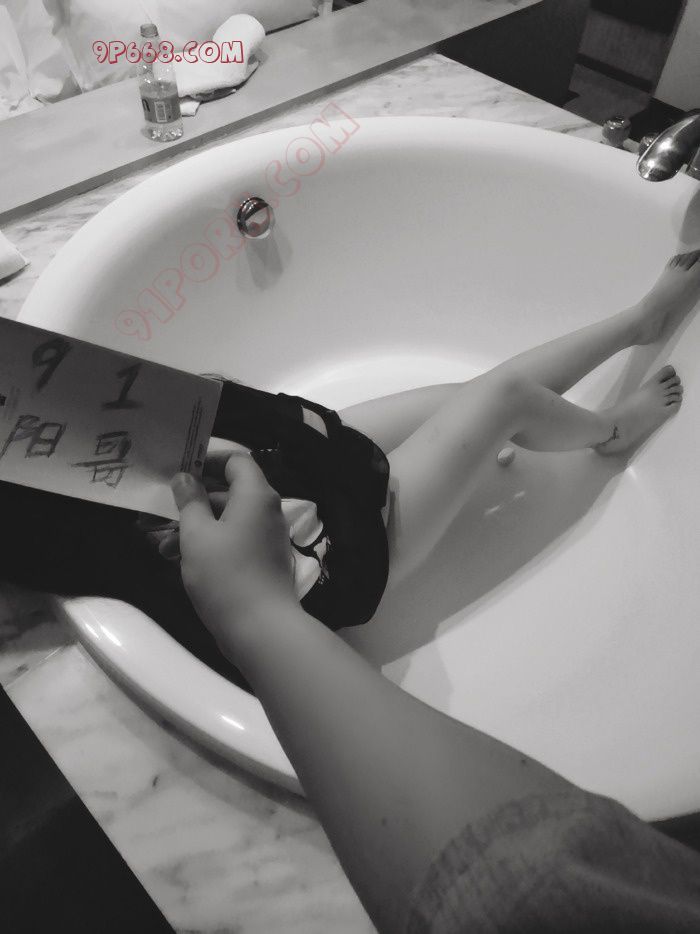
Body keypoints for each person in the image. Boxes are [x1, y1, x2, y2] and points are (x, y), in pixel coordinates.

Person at [159, 251, 700, 933]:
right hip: (316, 559)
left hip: (273, 497)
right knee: (502, 400)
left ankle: (640, 322)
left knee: (470, 397)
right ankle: (610, 432)